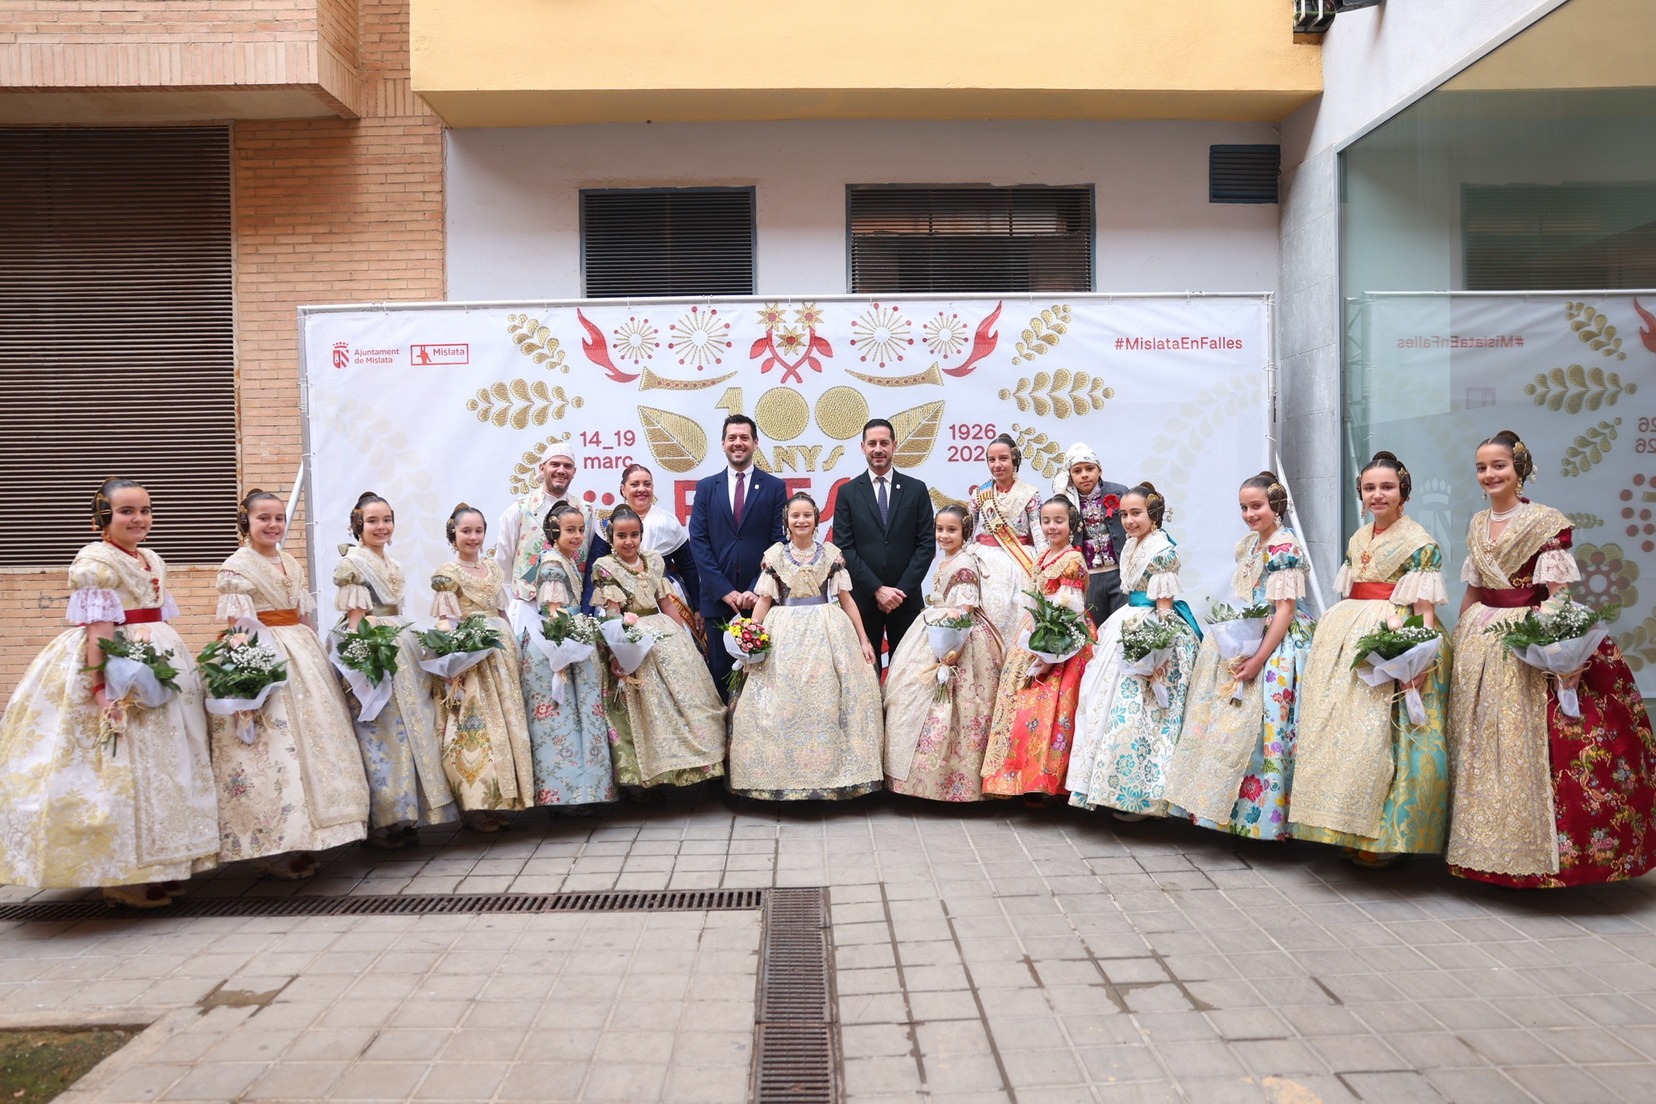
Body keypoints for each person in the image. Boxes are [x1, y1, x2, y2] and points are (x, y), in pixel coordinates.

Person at [1446, 430, 1656, 888]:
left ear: (1519, 467)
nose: (1489, 474)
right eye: (1481, 467)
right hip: (1482, 637)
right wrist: (1459, 640)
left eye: (1499, 465)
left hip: (1528, 637)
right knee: (1479, 743)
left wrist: (1560, 653)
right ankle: (1478, 848)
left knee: (1528, 744)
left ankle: (1541, 857)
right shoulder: (1477, 522)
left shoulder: (1545, 521)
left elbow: (1557, 595)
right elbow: (1474, 590)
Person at [0, 479, 218, 908]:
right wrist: (103, 690)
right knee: (120, 767)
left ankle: (163, 863)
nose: (139, 519)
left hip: (158, 659)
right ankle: (122, 875)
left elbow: (157, 613)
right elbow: (99, 630)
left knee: (168, 764)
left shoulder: (151, 558)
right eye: (127, 511)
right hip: (116, 662)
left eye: (145, 510)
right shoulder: (95, 563)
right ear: (104, 516)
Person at [1291, 452, 1450, 865]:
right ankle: (1344, 826)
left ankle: (1385, 838)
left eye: (1387, 487)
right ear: (1361, 494)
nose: (1377, 495)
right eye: (1369, 488)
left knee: (1386, 735)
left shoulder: (1419, 543)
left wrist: (1416, 659)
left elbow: (1424, 609)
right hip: (1349, 639)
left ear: (1403, 493)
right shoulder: (1359, 537)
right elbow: (1352, 590)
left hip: (1393, 637)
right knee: (1349, 735)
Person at [211, 490, 370, 878]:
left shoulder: (290, 562)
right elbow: (239, 629)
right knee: (276, 749)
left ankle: (313, 833)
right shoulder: (236, 569)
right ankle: (273, 845)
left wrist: (322, 655)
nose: (273, 525)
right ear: (246, 522)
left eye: (279, 518)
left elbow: (302, 616)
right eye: (263, 518)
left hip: (302, 652)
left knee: (314, 743)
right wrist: (248, 677)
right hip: (264, 653)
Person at [1163, 472, 1314, 840]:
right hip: (1250, 631)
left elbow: (1285, 610)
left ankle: (1265, 819)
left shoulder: (1284, 548)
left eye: (1257, 506)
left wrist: (1259, 658)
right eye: (1244, 508)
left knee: (1268, 724)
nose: (1249, 514)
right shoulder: (1250, 544)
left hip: (1277, 641)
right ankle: (1220, 809)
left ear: (1276, 505)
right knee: (1222, 720)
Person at [729, 492, 884, 800]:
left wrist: (864, 640)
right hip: (783, 630)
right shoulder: (774, 556)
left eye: (807, 515)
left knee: (828, 697)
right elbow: (764, 600)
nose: (801, 520)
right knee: (781, 699)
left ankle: (836, 776)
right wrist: (750, 639)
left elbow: (846, 600)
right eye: (795, 516)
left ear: (816, 519)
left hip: (827, 630)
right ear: (786, 521)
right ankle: (780, 777)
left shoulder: (831, 554)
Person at [1067, 483, 1203, 819]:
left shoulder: (1162, 550)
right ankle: (1108, 788)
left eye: (1136, 513)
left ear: (1153, 514)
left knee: (1144, 713)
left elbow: (1164, 607)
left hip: (1153, 624)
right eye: (1124, 514)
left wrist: (1158, 653)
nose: (1128, 520)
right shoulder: (1131, 544)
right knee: (1102, 703)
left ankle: (1144, 796)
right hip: (1127, 618)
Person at [334, 492, 457, 844]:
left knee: (412, 728)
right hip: (373, 644)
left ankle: (408, 814)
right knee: (381, 731)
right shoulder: (353, 563)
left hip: (401, 642)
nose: (381, 527)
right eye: (372, 521)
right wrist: (364, 656)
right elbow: (356, 618)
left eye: (386, 520)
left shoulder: (394, 564)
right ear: (358, 523)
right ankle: (384, 819)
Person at [593, 506, 728, 792]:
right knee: (650, 707)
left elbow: (665, 602)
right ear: (611, 537)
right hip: (633, 637)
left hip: (664, 631)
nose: (628, 541)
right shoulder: (605, 567)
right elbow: (613, 612)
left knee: (691, 698)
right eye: (621, 536)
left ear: (641, 535)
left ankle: (703, 765)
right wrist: (619, 650)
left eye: (634, 535)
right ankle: (648, 779)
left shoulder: (653, 560)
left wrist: (684, 638)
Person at [882, 505, 1004, 802]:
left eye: (952, 530)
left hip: (955, 638)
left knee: (957, 708)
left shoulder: (964, 565)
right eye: (940, 529)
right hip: (935, 628)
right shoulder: (949, 560)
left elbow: (964, 611)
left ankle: (951, 784)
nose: (944, 535)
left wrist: (950, 652)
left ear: (965, 531)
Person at [981, 495, 1095, 802]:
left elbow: (1069, 611)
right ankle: (1019, 779)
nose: (1051, 527)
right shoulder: (1044, 556)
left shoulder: (1072, 560)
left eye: (1059, 521)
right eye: (1046, 521)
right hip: (1037, 630)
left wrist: (1048, 655)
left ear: (1072, 524)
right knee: (1022, 707)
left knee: (1050, 711)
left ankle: (1045, 784)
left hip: (1062, 640)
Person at [430, 504, 536, 831]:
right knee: (477, 728)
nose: (473, 537)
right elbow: (446, 620)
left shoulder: (491, 568)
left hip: (500, 651)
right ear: (453, 533)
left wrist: (514, 646)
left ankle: (503, 799)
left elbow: (501, 611)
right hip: (472, 656)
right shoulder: (447, 574)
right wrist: (453, 659)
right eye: (466, 531)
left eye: (478, 531)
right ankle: (475, 807)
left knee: (506, 724)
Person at [521, 504, 618, 810]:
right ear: (554, 532)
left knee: (579, 718)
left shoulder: (566, 560)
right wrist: (568, 645)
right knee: (562, 721)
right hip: (557, 643)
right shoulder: (552, 563)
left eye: (580, 530)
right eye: (569, 530)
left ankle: (583, 792)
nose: (577, 536)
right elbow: (554, 613)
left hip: (570, 639)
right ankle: (567, 796)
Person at [688, 414, 786, 698]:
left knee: (761, 676)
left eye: (744, 437)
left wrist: (757, 589)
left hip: (761, 600)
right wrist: (725, 591)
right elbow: (699, 542)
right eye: (732, 438)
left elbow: (778, 543)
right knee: (721, 677)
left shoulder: (774, 487)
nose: (738, 443)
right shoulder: (707, 488)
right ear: (723, 444)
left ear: (755, 443)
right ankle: (724, 728)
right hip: (718, 601)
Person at [833, 418, 936, 663]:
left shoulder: (916, 489)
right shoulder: (848, 492)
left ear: (894, 445)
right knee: (866, 670)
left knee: (907, 670)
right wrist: (877, 590)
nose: (878, 449)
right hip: (863, 599)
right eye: (872, 443)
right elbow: (844, 546)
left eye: (884, 443)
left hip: (905, 599)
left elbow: (926, 545)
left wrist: (900, 592)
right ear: (863, 447)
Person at [586, 463, 703, 648]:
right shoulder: (607, 524)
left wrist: (698, 606)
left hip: (664, 596)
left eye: (647, 484)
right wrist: (587, 612)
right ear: (623, 489)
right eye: (635, 484)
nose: (641, 489)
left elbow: (688, 566)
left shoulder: (668, 522)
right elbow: (593, 571)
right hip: (617, 599)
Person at [494, 438, 595, 640]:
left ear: (574, 471)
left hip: (571, 609)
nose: (561, 470)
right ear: (542, 468)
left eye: (567, 466)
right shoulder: (519, 509)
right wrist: (510, 608)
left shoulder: (586, 511)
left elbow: (589, 558)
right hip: (527, 607)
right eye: (555, 464)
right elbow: (502, 564)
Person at [970, 433, 1045, 650]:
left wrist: (1044, 564)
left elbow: (1038, 533)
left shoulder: (1030, 494)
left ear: (1015, 460)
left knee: (1019, 617)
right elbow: (969, 534)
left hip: (1019, 562)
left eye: (1003, 458)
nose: (997, 465)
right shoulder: (980, 495)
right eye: (991, 460)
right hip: (985, 564)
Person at [1053, 443, 1130, 626]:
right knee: (1094, 629)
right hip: (1089, 577)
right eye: (1077, 471)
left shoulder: (1119, 492)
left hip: (1120, 572)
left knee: (1123, 626)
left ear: (1099, 470)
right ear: (1070, 475)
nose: (1084, 475)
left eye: (1089, 469)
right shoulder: (1065, 502)